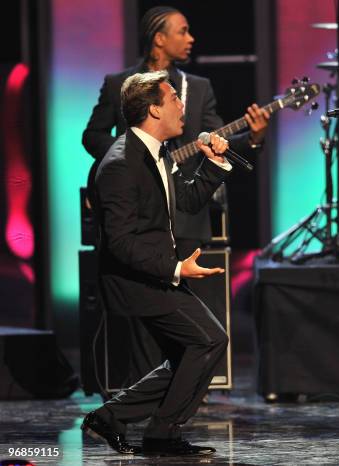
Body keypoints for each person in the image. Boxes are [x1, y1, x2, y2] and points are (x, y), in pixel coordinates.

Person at [82, 5, 270, 387]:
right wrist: (131, 155)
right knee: (146, 314)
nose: (191, 38)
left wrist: (252, 137)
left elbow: (217, 137)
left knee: (185, 321)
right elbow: (93, 135)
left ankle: (176, 398)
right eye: (182, 31)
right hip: (141, 212)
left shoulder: (197, 87)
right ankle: (136, 401)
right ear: (159, 38)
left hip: (185, 209)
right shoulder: (121, 83)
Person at [81, 71, 232, 456]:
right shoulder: (120, 163)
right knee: (210, 339)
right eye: (174, 100)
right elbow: (119, 243)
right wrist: (177, 269)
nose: (183, 106)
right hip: (135, 279)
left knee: (190, 352)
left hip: (157, 271)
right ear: (153, 110)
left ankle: (111, 418)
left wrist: (213, 165)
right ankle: (161, 432)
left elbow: (186, 201)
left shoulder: (157, 150)